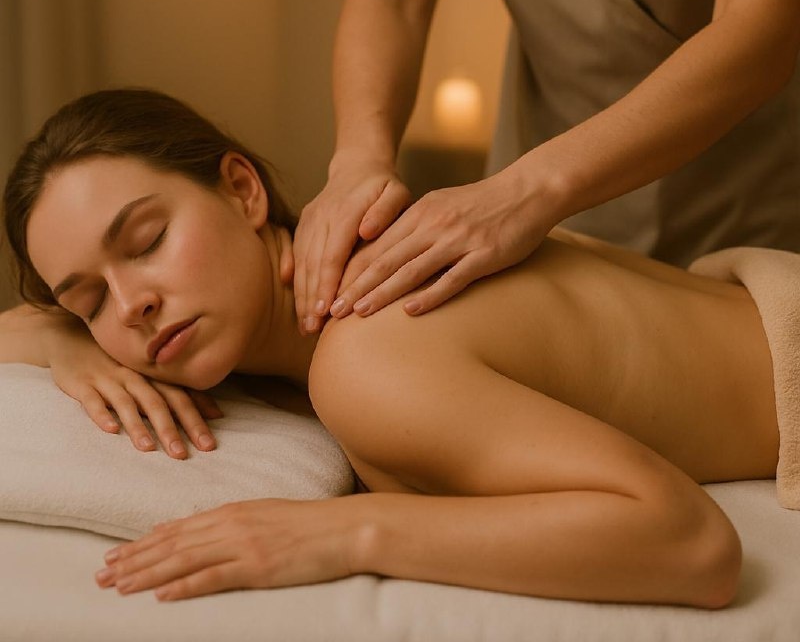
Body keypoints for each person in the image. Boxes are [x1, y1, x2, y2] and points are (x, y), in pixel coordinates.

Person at [3, 88, 796, 608]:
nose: (131, 304)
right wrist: (70, 345)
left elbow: (693, 546)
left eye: (148, 240)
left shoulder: (366, 356)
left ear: (243, 190)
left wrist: (345, 533)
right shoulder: (364, 262)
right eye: (89, 299)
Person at [290, 0, 800, 338]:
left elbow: (762, 27)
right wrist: (357, 160)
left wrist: (526, 193)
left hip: (744, 214)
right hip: (543, 236)